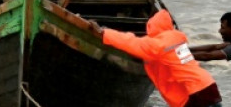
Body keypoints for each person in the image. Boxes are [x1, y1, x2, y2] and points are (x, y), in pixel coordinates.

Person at [93, 9, 222, 107]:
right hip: (208, 85)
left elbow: (131, 42)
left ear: (151, 26)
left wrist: (104, 32)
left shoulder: (159, 45)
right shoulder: (176, 40)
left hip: (195, 93)